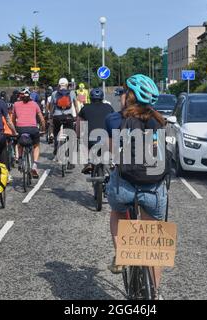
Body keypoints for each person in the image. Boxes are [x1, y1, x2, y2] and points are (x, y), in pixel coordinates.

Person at [105, 74, 168, 299]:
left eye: (123, 92)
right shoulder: (160, 120)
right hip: (153, 188)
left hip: (125, 186)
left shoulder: (114, 119)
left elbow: (111, 154)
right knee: (153, 243)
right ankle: (156, 293)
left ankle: (122, 253)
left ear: (129, 96)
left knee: (117, 211)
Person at [76, 88, 114, 174]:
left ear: (90, 97)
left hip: (91, 138)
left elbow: (79, 123)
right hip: (107, 139)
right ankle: (112, 161)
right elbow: (114, 121)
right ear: (102, 98)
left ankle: (89, 162)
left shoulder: (85, 108)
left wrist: (77, 135)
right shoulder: (109, 107)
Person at [13, 87, 46, 179]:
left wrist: (14, 129)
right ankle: (34, 164)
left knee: (19, 143)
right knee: (36, 145)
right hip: (33, 129)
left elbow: (13, 119)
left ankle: (19, 159)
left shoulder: (15, 104)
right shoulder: (35, 104)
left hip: (20, 128)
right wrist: (43, 129)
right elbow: (41, 119)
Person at [48, 78, 79, 157]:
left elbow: (51, 106)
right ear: (67, 85)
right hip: (68, 116)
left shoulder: (54, 93)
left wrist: (50, 116)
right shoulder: (72, 93)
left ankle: (56, 147)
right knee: (71, 135)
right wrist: (78, 116)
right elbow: (76, 106)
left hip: (57, 116)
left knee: (56, 132)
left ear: (59, 85)